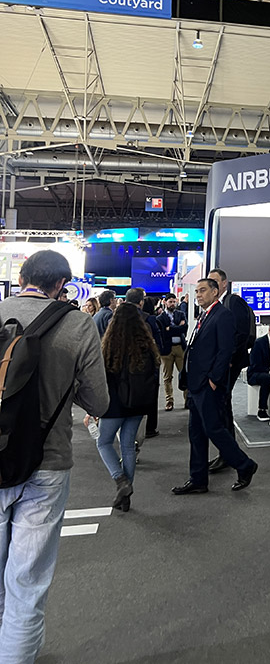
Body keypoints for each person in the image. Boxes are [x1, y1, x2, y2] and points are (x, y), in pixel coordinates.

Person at [0, 250, 109, 662]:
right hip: (47, 461)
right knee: (26, 585)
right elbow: (98, 400)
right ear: (62, 285)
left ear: (23, 275)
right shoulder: (77, 324)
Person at [172, 278, 258, 495]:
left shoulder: (223, 315)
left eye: (203, 291)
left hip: (208, 385)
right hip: (196, 384)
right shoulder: (205, 315)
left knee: (214, 430)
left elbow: (225, 350)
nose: (198, 294)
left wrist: (214, 379)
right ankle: (198, 479)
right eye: (197, 291)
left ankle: (245, 465)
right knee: (196, 434)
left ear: (215, 291)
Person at [93, 303, 160, 512]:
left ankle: (121, 481)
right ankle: (126, 495)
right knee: (128, 445)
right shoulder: (146, 346)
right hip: (138, 404)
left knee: (104, 442)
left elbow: (101, 377)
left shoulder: (110, 344)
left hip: (114, 404)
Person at [206, 268, 254, 473]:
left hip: (229, 363)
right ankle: (226, 452)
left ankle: (228, 454)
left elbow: (241, 334)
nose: (212, 286)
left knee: (223, 404)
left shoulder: (233, 302)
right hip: (221, 363)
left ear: (225, 283)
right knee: (222, 405)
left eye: (215, 282)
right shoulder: (216, 305)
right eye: (210, 282)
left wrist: (230, 360)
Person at [125, 288, 162, 438]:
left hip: (124, 365)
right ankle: (149, 428)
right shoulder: (149, 319)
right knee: (151, 394)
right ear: (141, 302)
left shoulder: (116, 318)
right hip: (146, 364)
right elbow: (158, 343)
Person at [156, 293, 188, 411]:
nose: (173, 304)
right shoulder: (160, 318)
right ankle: (169, 401)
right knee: (167, 377)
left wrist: (170, 328)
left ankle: (187, 400)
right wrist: (177, 328)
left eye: (174, 302)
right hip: (166, 350)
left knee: (184, 374)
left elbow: (185, 328)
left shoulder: (181, 314)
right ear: (165, 302)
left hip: (180, 348)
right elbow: (163, 333)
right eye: (170, 302)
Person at [247, 320, 270, 421]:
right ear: (269, 330)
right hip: (256, 373)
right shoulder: (259, 343)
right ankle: (262, 409)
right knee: (266, 378)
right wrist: (269, 371)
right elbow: (255, 364)